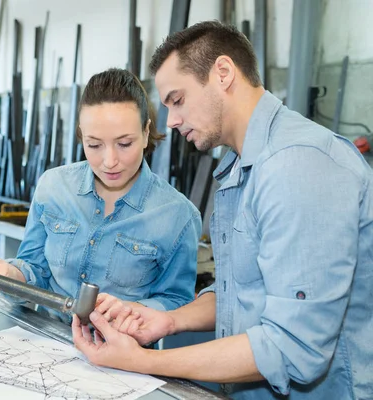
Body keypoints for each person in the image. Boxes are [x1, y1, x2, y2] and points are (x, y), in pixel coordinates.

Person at [72, 20, 373, 400]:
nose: (172, 121)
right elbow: (241, 288)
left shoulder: (298, 165)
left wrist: (142, 361)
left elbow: (292, 348)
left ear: (223, 73)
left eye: (177, 100)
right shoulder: (242, 167)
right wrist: (167, 321)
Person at [0, 68, 202, 322]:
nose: (110, 161)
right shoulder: (53, 186)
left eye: (124, 143)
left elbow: (176, 300)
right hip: (46, 341)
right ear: (81, 135)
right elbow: (34, 269)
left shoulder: (177, 216)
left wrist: (133, 311)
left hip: (122, 355)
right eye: (94, 145)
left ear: (146, 132)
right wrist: (7, 273)